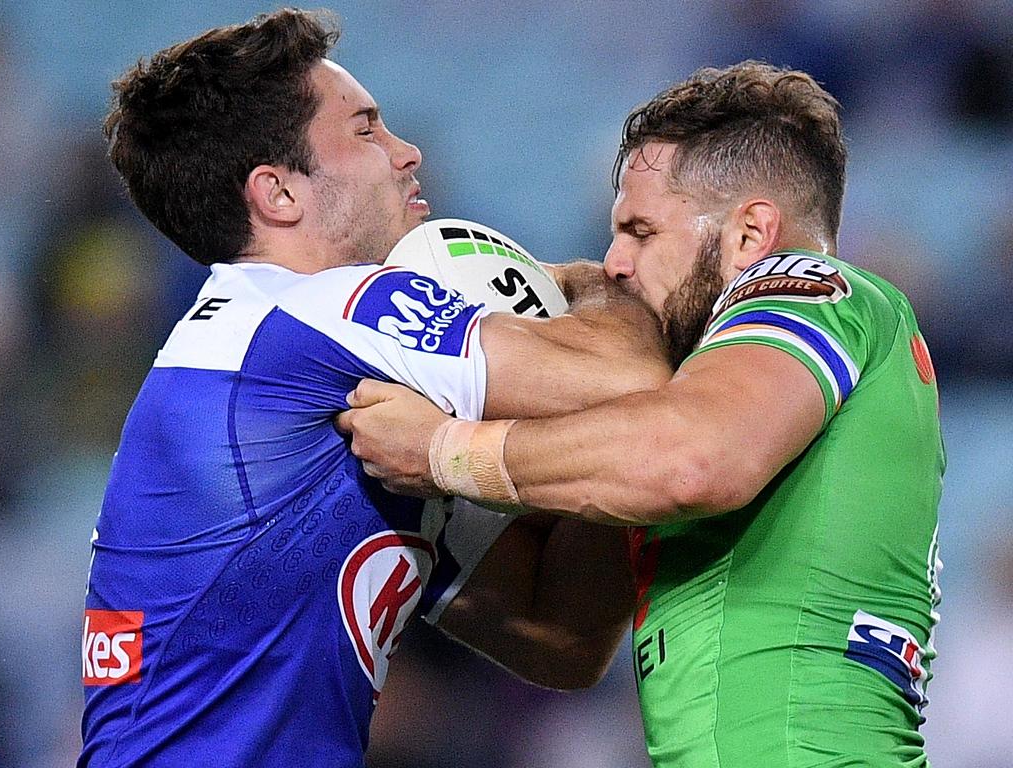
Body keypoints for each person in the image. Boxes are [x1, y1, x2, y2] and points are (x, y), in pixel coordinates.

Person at [81, 8, 672, 767]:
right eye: (365, 130)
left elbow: (559, 635)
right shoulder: (324, 308)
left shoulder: (291, 370)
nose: (406, 152)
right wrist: (603, 284)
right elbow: (632, 380)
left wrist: (584, 460)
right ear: (279, 194)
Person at [339, 61, 945, 767]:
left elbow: (692, 461)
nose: (614, 263)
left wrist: (446, 449)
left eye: (641, 231)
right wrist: (396, 497)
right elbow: (558, 630)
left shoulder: (819, 288)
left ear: (751, 234)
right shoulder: (708, 407)